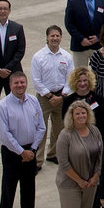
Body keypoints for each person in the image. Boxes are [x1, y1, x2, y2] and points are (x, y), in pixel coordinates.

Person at [0, 71, 49, 208]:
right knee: (9, 189)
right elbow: (4, 135)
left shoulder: (33, 101)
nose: (20, 85)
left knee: (29, 185)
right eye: (16, 83)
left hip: (30, 150)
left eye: (22, 82)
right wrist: (21, 152)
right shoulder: (3, 106)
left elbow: (41, 127)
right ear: (10, 85)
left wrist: (32, 149)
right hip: (12, 153)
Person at [55, 100, 102, 208]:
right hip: (70, 184)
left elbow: (100, 156)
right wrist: (80, 181)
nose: (81, 116)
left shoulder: (94, 131)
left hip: (91, 182)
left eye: (84, 113)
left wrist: (96, 176)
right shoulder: (65, 135)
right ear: (71, 116)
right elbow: (63, 163)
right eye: (77, 114)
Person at [30, 24, 74, 162]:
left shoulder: (67, 56)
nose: (55, 38)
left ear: (61, 38)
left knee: (59, 129)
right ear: (47, 38)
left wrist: (62, 96)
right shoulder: (38, 57)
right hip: (44, 98)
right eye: (52, 36)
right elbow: (36, 80)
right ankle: (38, 160)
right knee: (41, 129)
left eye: (57, 36)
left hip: (61, 97)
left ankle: (52, 154)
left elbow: (70, 78)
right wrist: (49, 96)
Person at [64, 0, 104, 66]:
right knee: (80, 75)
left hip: (98, 46)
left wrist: (98, 37)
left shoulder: (102, 1)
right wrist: (81, 39)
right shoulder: (73, 3)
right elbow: (69, 24)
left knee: (98, 74)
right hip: (80, 46)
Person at [61, 65, 102, 160]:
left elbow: (103, 123)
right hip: (75, 142)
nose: (82, 83)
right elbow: (65, 123)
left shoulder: (99, 99)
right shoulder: (68, 101)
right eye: (79, 81)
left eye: (85, 81)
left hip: (94, 141)